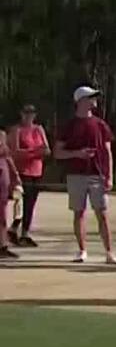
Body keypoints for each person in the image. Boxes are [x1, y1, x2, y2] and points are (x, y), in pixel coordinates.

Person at [55, 85, 116, 264]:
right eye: (91, 97)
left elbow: (108, 151)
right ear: (81, 101)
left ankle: (110, 252)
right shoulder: (69, 125)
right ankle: (82, 250)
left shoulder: (100, 124)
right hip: (76, 175)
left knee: (102, 214)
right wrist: (77, 153)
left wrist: (109, 175)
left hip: (97, 175)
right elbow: (58, 152)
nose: (94, 100)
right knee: (79, 213)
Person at [7, 104, 48, 246]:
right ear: (21, 114)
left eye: (32, 113)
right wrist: (35, 152)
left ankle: (24, 232)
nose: (29, 116)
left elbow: (46, 149)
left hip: (36, 171)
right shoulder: (17, 130)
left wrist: (30, 152)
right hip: (22, 171)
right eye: (26, 113)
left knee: (30, 204)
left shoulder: (38, 129)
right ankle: (14, 227)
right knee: (21, 202)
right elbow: (14, 152)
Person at [0, 131, 15, 259]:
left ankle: (3, 245)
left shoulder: (2, 135)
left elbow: (8, 157)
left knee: (2, 215)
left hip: (2, 180)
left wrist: (15, 175)